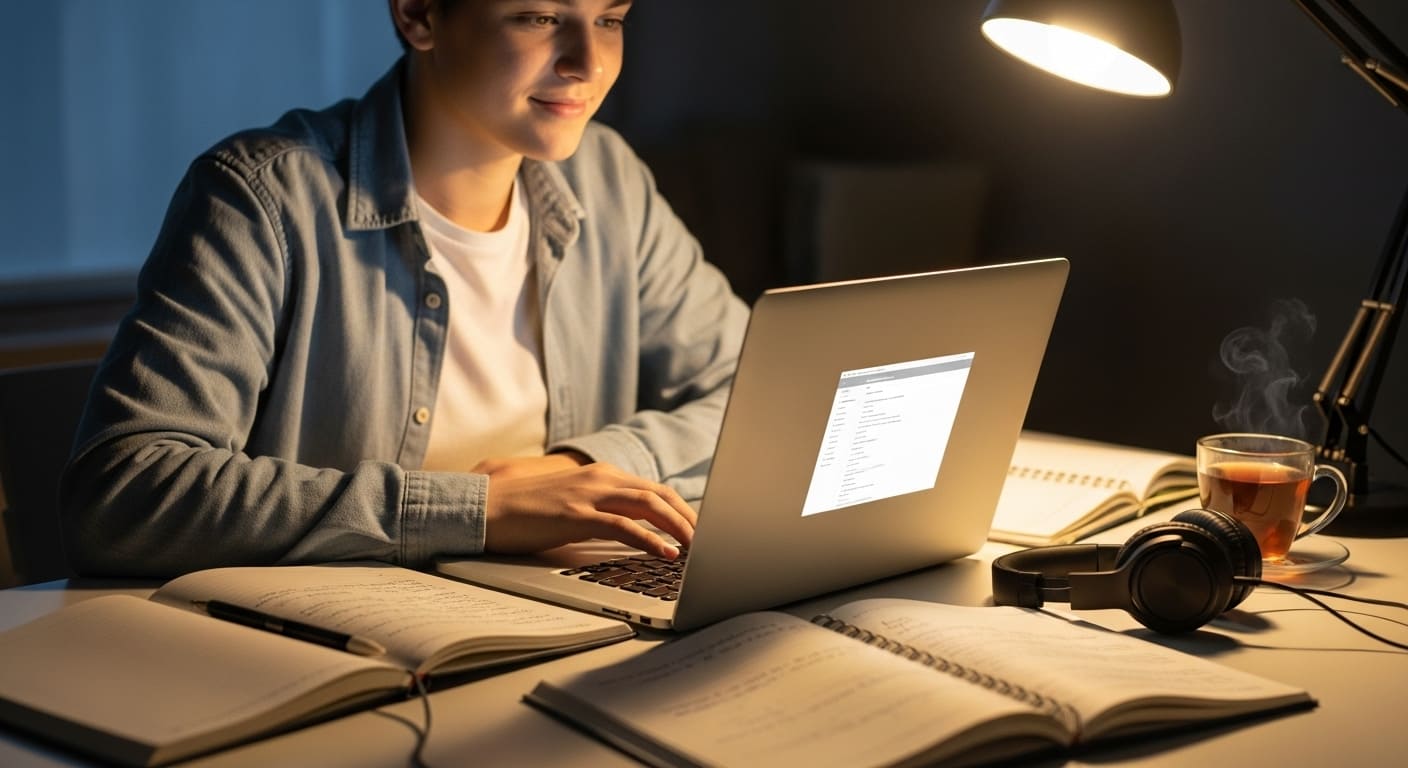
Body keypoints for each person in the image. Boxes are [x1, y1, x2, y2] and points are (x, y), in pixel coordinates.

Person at [59, 0, 749, 577]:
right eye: (539, 18)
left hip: (553, 618)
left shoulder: (608, 180)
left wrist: (580, 469)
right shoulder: (263, 197)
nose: (588, 64)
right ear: (418, 14)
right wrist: (476, 510)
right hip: (330, 649)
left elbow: (756, 388)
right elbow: (126, 490)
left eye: (610, 19)